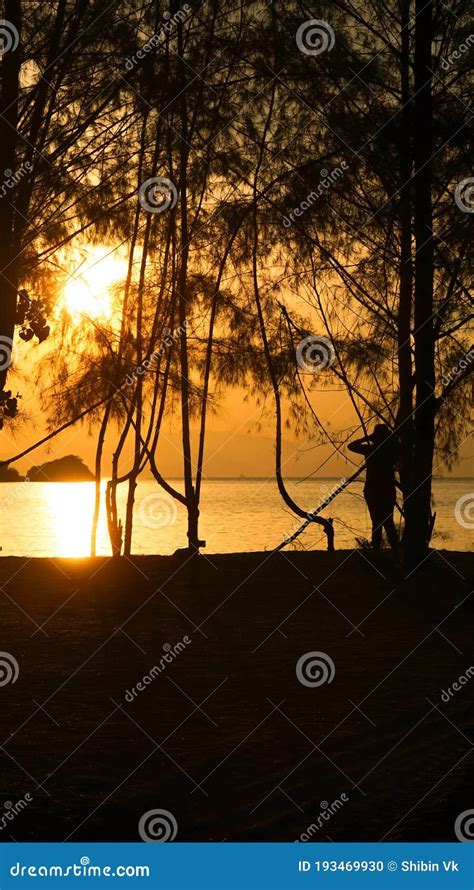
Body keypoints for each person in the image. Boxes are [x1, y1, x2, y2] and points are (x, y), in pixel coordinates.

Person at [348, 424, 399, 554]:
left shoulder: (371, 449)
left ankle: (378, 552)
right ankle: (394, 553)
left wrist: (367, 437)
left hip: (374, 490)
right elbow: (351, 446)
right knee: (387, 522)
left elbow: (352, 446)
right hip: (385, 489)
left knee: (377, 521)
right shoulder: (392, 449)